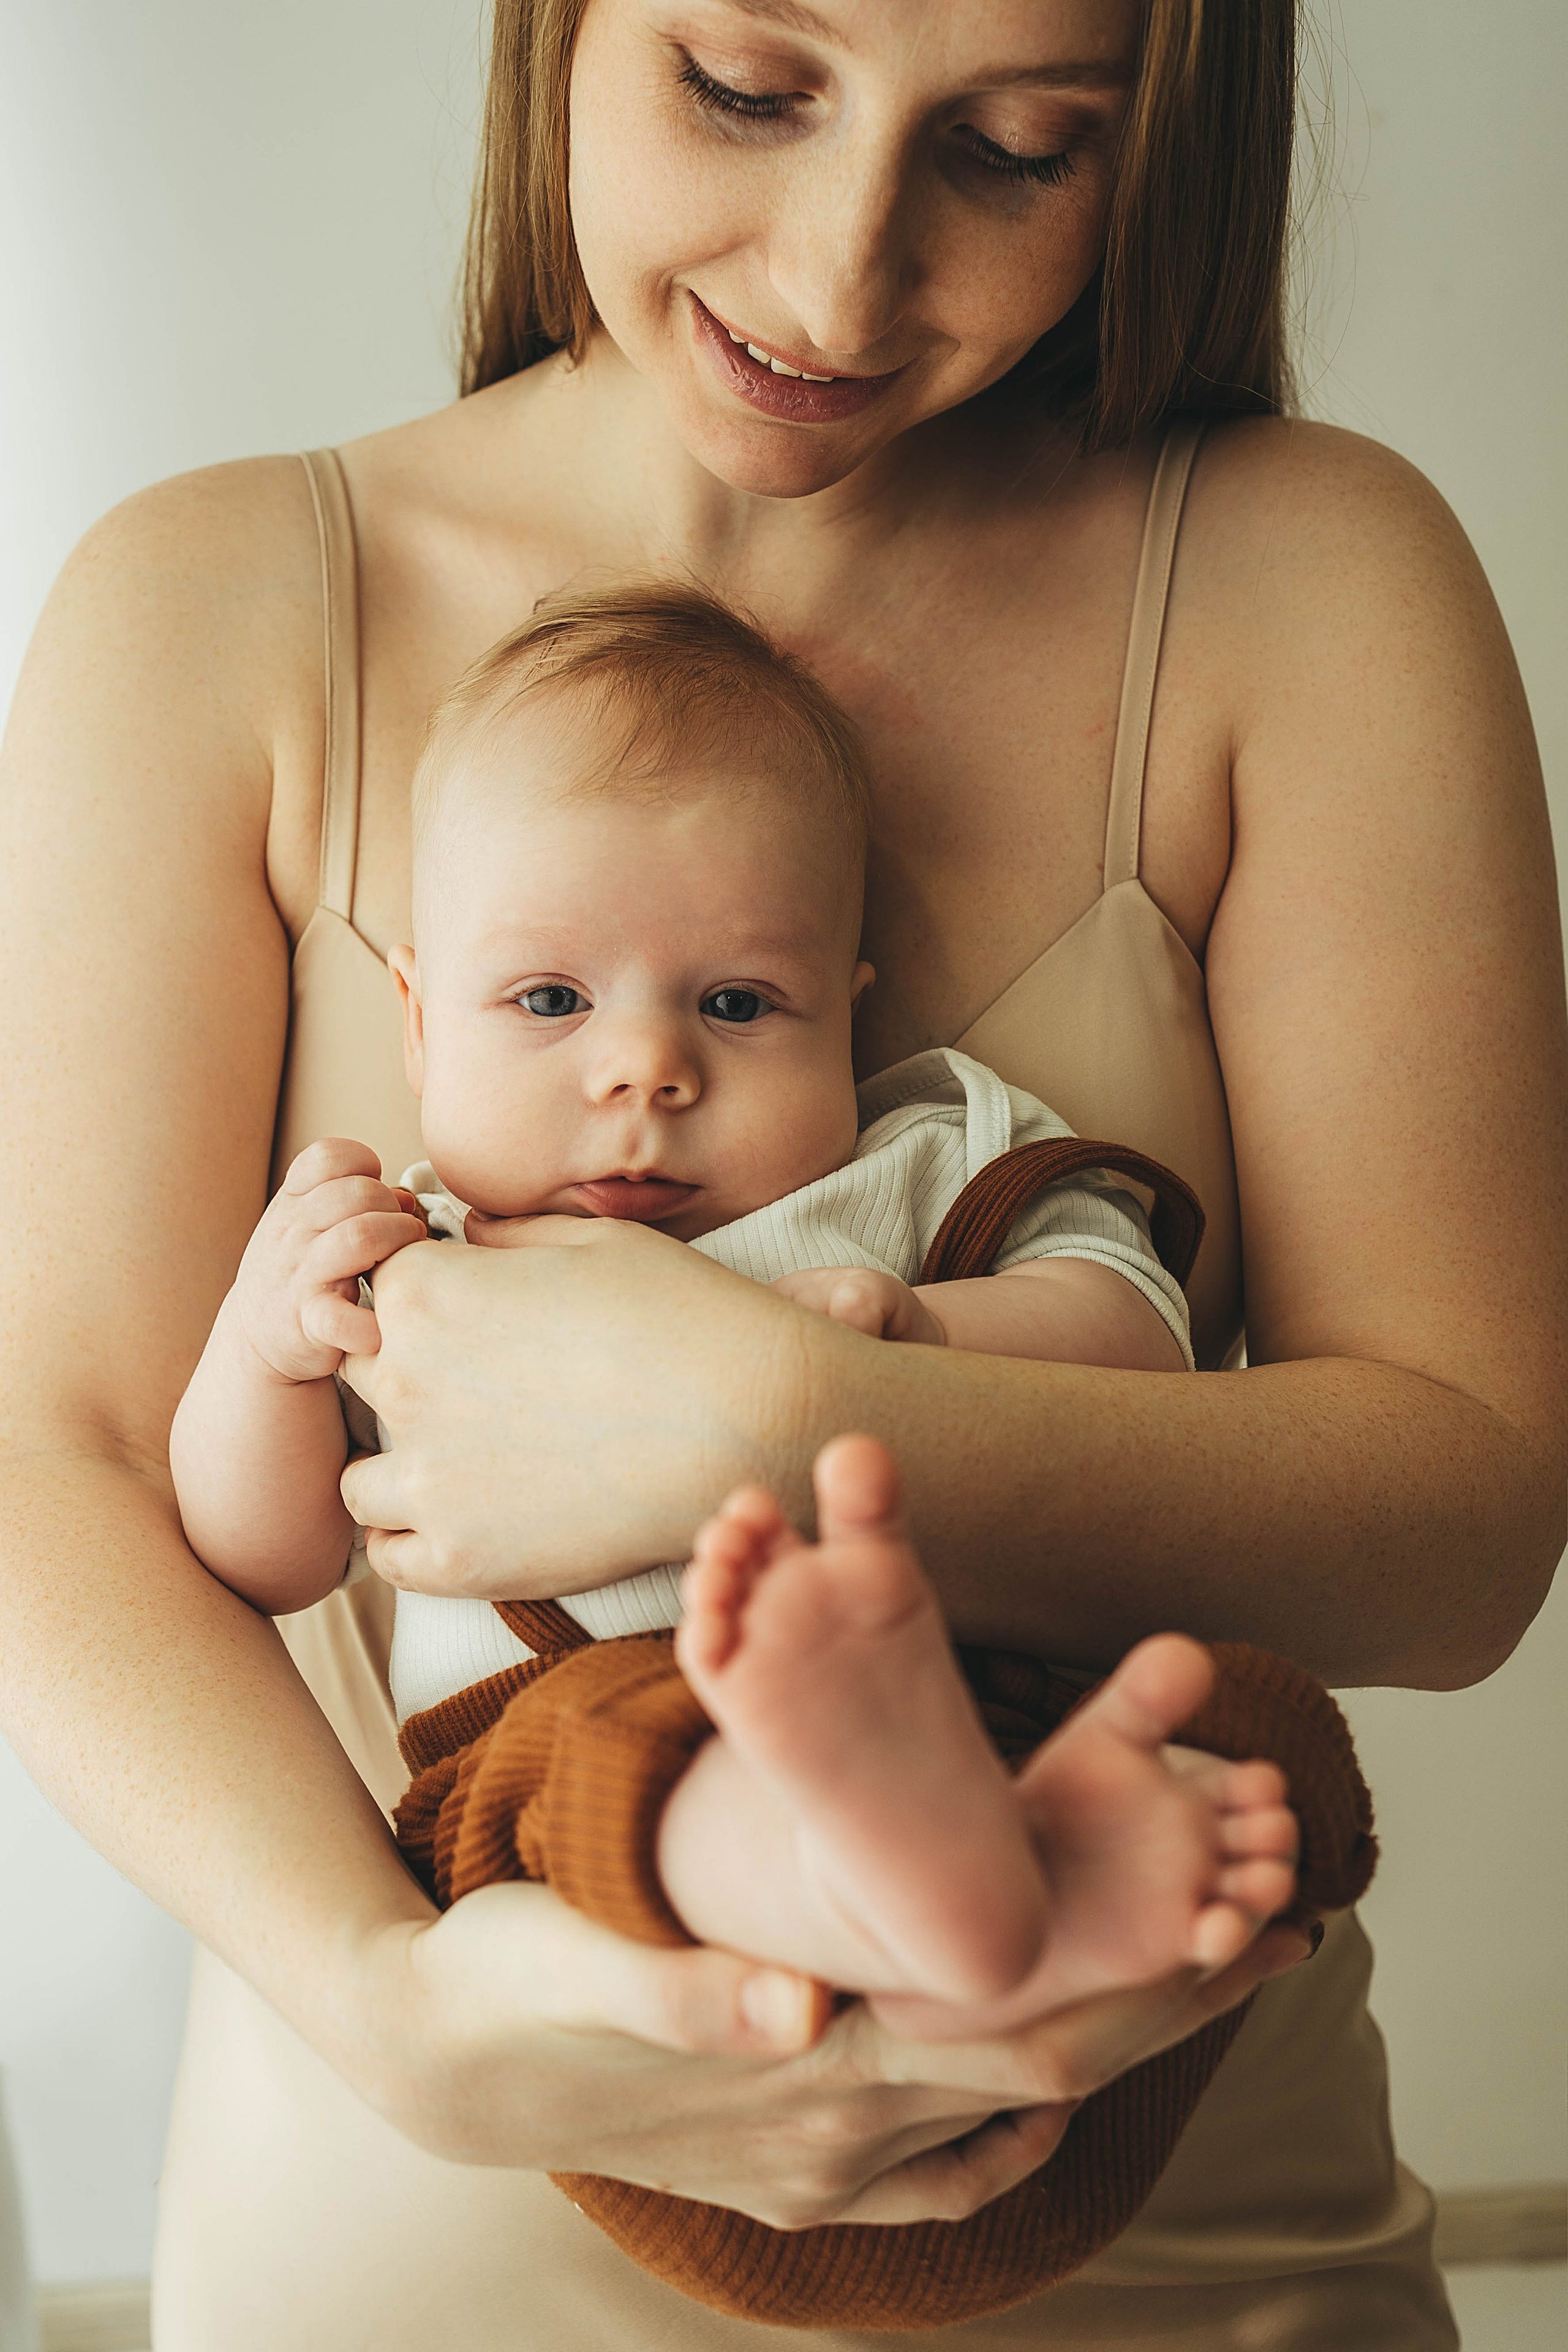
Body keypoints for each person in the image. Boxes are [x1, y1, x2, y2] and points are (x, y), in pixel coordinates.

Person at [0, 0, 1561, 2344]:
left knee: (1248, 1760)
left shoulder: (1302, 577)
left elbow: (1462, 1531)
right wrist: (393, 2015)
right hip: (423, 2201)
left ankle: (953, 1842)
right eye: (745, 88)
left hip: (1169, 2228)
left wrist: (777, 1417)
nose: (837, 282)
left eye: (1016, 149)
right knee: (627, 1771)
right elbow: (64, 1470)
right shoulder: (209, 603)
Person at [166, 584, 1363, 2324]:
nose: (645, 1068)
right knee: (628, 1768)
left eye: (738, 1004)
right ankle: (892, 1866)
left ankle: (993, 1848)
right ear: (419, 1023)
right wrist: (263, 1351)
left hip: (1066, 1989)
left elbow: (1137, 1332)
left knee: (1265, 1734)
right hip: (603, 1876)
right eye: (550, 999)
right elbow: (259, 1555)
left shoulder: (926, 1160)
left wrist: (908, 1350)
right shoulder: (413, 1264)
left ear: (849, 1016)